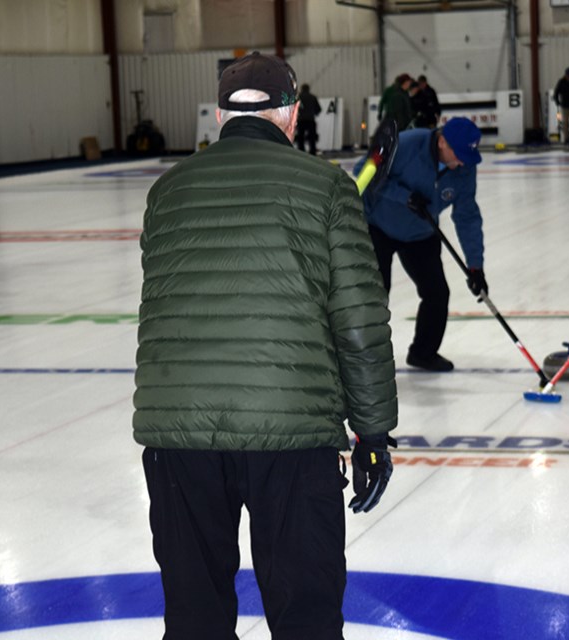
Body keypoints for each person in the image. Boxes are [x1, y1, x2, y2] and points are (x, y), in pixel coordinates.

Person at [135, 52, 399, 640]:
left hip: (177, 437)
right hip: (292, 431)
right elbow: (358, 321)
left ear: (222, 115)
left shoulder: (166, 192)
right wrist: (374, 434)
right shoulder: (328, 188)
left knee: (194, 617)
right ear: (292, 112)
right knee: (306, 614)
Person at [357, 117, 487, 372]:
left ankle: (423, 354)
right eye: (458, 155)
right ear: (441, 142)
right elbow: (364, 171)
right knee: (375, 294)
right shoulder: (405, 144)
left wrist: (475, 267)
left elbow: (467, 216)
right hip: (378, 225)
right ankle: (364, 358)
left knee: (437, 293)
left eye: (468, 156)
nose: (462, 162)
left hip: (420, 232)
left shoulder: (464, 168)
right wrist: (404, 197)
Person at [295, 82, 322, 155]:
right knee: (312, 138)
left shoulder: (298, 97)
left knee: (300, 138)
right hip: (310, 120)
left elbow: (294, 109)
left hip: (301, 120)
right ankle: (312, 153)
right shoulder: (313, 97)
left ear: (301, 89)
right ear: (308, 89)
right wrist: (313, 113)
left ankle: (301, 152)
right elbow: (318, 109)